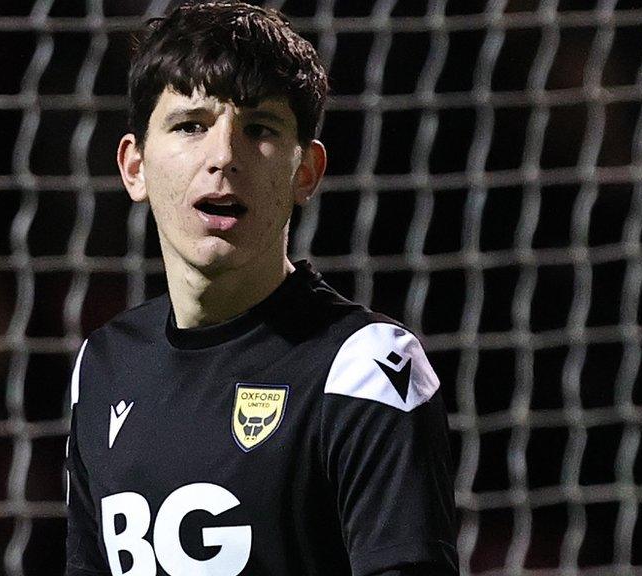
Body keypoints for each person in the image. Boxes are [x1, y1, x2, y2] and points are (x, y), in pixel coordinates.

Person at [65, 2, 459, 574]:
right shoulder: (102, 365)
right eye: (191, 125)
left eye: (259, 129)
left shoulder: (365, 370)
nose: (223, 156)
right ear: (135, 167)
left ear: (306, 171)